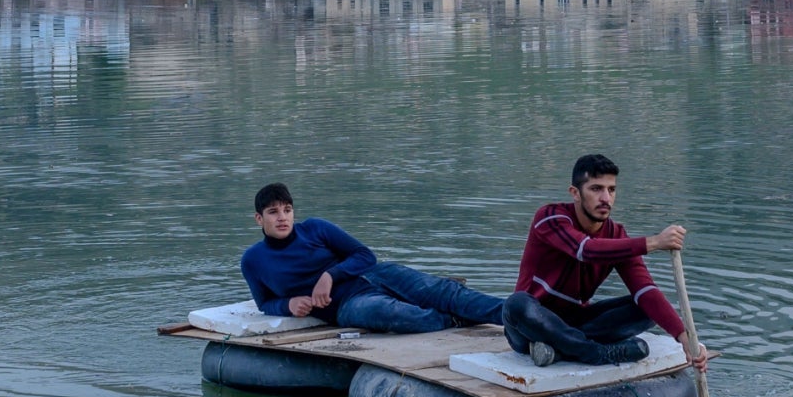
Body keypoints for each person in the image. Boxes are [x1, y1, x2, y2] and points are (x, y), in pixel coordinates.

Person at [504, 152, 707, 369]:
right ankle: (595, 353)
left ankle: (563, 350)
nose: (606, 199)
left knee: (646, 307)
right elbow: (585, 250)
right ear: (575, 193)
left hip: (578, 323)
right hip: (530, 325)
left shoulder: (616, 234)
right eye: (596, 189)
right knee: (517, 304)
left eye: (611, 190)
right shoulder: (550, 217)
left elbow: (644, 288)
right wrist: (654, 242)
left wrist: (684, 336)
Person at [240, 182, 504, 334]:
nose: (282, 217)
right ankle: (456, 319)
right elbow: (264, 303)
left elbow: (365, 256)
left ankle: (515, 314)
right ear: (259, 219)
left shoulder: (316, 228)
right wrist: (288, 304)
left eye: (287, 210)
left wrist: (329, 275)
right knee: (399, 315)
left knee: (447, 293)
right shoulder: (253, 260)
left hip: (375, 274)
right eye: (273, 212)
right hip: (347, 304)